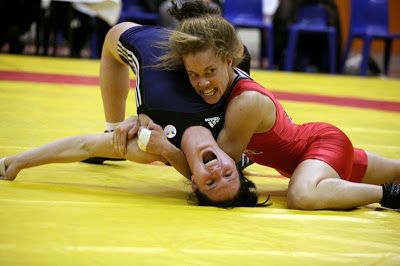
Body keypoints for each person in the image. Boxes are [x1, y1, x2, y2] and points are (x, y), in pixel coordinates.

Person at [154, 2, 400, 210]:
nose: (202, 82)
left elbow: (213, 169)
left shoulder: (245, 103)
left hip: (320, 148)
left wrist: (165, 148)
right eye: (193, 74)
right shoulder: (226, 84)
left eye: (210, 71)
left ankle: (389, 194)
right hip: (306, 159)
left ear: (229, 61)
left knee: (302, 196)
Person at [0, 114, 266, 207]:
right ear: (236, 164)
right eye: (228, 174)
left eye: (210, 181)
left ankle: (113, 128)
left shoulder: (149, 146)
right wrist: (138, 115)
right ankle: (116, 123)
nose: (217, 170)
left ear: (194, 183)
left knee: (115, 35)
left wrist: (17, 162)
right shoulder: (238, 132)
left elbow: (83, 145)